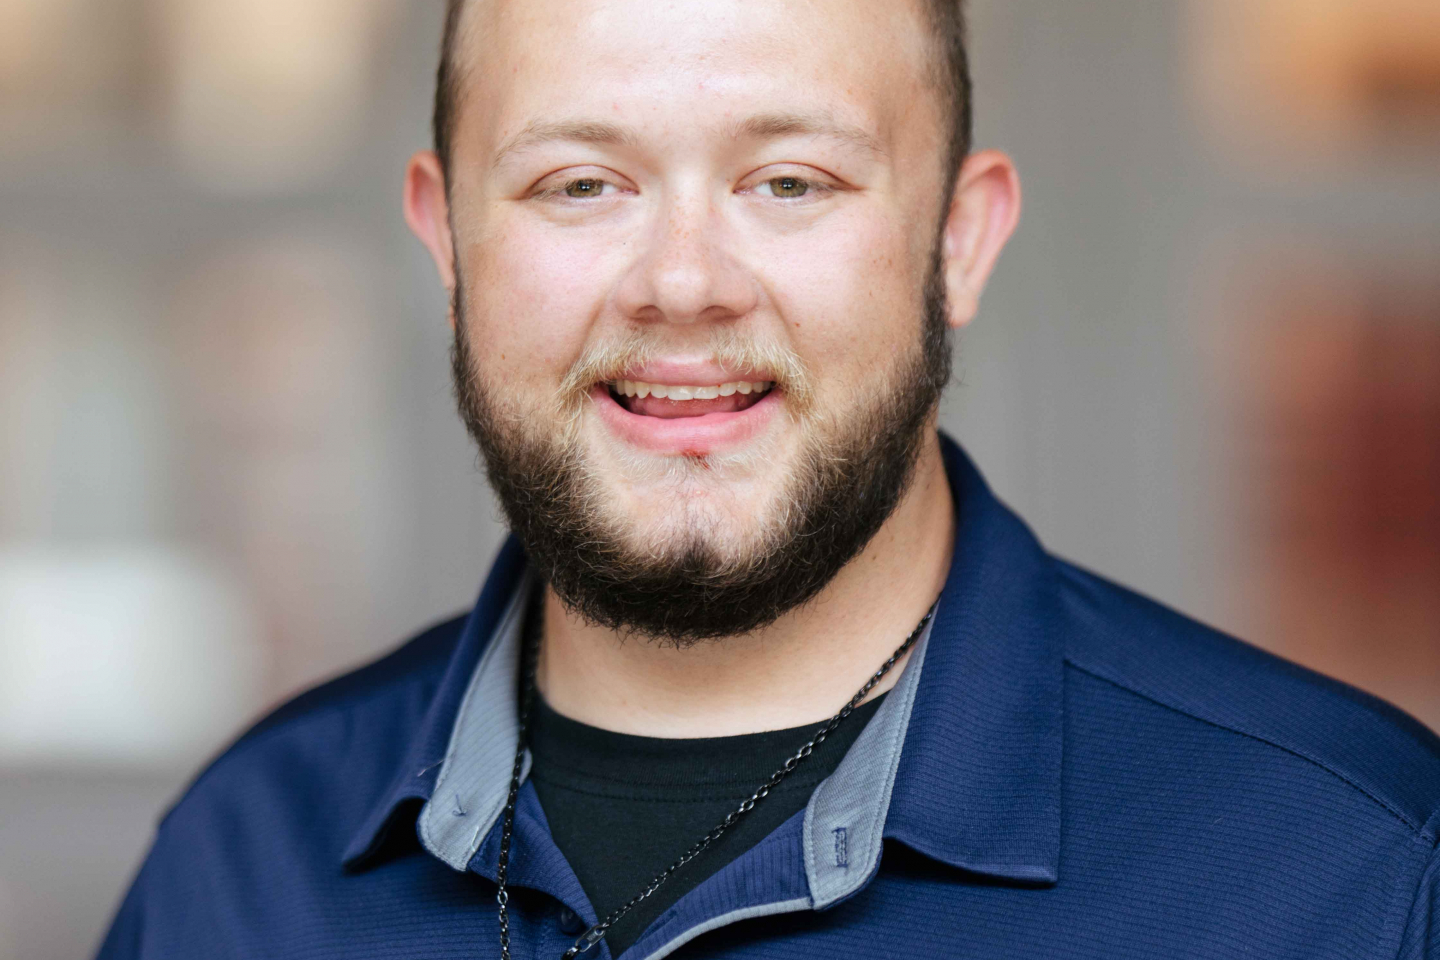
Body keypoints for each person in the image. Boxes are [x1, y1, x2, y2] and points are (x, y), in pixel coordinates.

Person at [98, 0, 1440, 957]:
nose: (683, 282)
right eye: (580, 184)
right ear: (446, 244)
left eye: (790, 182)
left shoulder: (1354, 874)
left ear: (960, 243)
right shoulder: (238, 867)